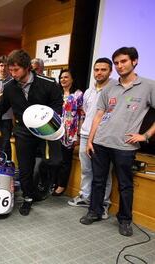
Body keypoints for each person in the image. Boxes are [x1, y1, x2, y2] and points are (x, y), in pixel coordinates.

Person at [80, 47, 155, 237]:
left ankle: (124, 220)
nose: (120, 65)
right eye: (117, 63)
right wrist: (91, 140)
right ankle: (94, 212)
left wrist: (145, 136)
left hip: (125, 146)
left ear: (134, 61)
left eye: (124, 61)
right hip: (101, 142)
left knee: (125, 184)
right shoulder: (109, 87)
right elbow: (99, 114)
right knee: (98, 181)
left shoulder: (148, 85)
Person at [0, 49, 62, 216]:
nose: (12, 74)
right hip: (22, 131)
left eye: (16, 70)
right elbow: (2, 107)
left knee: (54, 161)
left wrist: (50, 121)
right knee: (25, 167)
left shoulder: (48, 83)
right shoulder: (9, 87)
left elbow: (58, 105)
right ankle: (28, 197)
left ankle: (44, 184)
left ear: (28, 67)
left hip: (46, 130)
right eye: (10, 70)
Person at [68, 58, 116, 220]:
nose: (99, 73)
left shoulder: (115, 89)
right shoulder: (88, 91)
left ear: (110, 71)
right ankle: (85, 196)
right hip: (86, 134)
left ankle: (103, 203)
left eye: (103, 69)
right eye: (96, 70)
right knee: (86, 170)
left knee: (103, 173)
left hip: (104, 137)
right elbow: (87, 113)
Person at [52, 69, 83, 196]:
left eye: (66, 77)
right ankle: (53, 182)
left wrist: (79, 134)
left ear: (72, 79)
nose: (63, 80)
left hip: (70, 133)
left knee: (65, 160)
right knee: (55, 159)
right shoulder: (56, 93)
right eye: (61, 77)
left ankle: (61, 185)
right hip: (55, 130)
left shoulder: (78, 94)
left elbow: (81, 115)